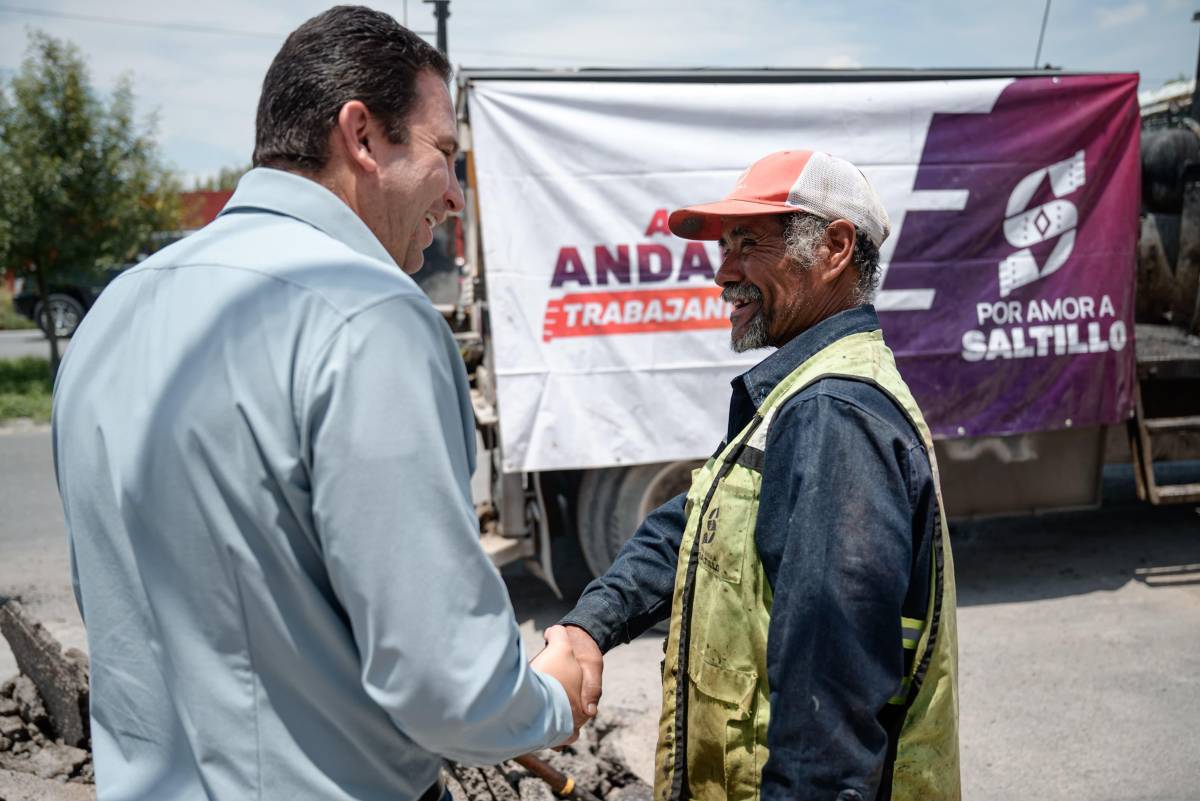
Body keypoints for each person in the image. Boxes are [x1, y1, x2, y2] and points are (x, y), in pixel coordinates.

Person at [51, 7, 584, 800]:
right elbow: (448, 686)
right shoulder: (368, 314)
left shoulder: (115, 311)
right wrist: (551, 700)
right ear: (362, 135)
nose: (453, 195)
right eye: (444, 154)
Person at [552, 150, 960, 801]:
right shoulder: (800, 393)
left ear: (834, 248)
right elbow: (696, 524)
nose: (723, 272)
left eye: (747, 244)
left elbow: (829, 708)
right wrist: (591, 624)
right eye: (724, 247)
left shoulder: (834, 412)